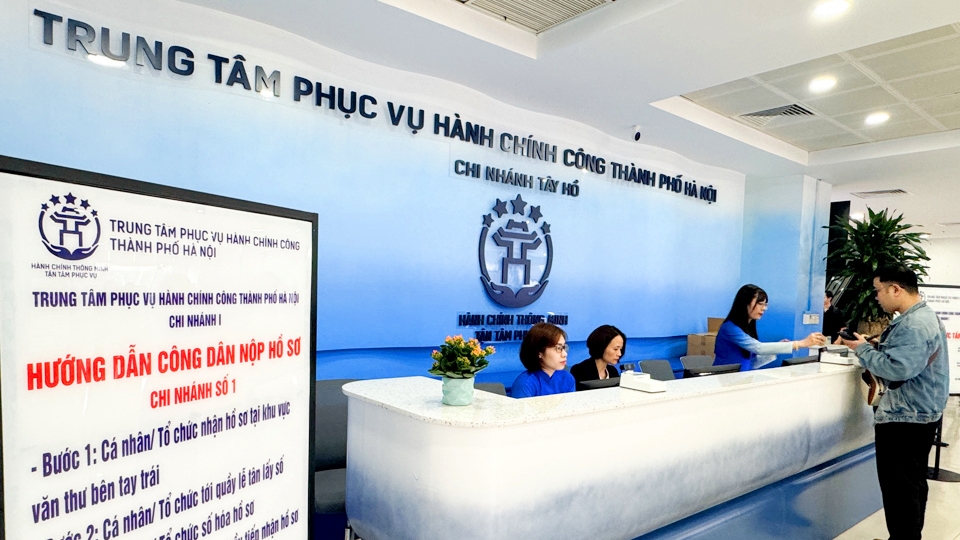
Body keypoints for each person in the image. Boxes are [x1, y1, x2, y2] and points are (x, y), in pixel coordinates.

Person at [837, 264, 949, 540]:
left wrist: (862, 349)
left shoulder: (913, 324)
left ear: (895, 289)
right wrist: (873, 346)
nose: (876, 297)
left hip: (905, 417)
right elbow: (908, 359)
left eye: (878, 290)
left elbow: (898, 369)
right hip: (920, 413)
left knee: (900, 489)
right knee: (912, 484)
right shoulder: (923, 317)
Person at [714, 284, 825, 371]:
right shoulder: (730, 328)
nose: (764, 308)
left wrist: (777, 349)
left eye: (765, 304)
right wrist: (800, 344)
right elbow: (759, 348)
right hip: (724, 380)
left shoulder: (747, 329)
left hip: (740, 379)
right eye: (760, 303)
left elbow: (753, 363)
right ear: (745, 303)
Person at [511, 322, 576, 398]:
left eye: (564, 347)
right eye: (558, 348)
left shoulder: (567, 378)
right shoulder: (525, 383)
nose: (564, 354)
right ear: (539, 352)